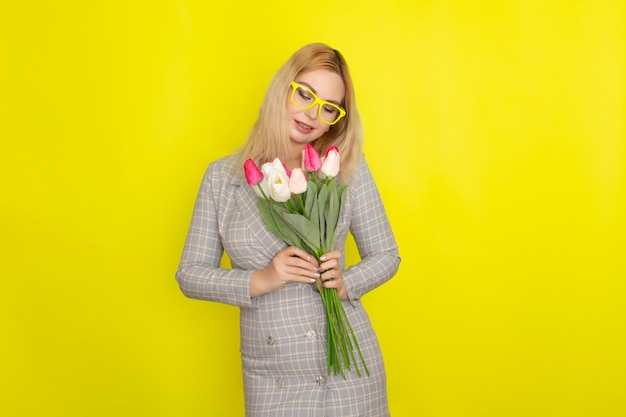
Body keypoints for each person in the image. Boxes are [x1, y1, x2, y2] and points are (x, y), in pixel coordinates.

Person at [176, 42, 400, 417]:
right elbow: (189, 275)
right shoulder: (222, 178)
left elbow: (387, 255)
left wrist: (347, 283)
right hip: (272, 376)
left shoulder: (342, 168)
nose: (313, 114)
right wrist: (261, 279)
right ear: (283, 87)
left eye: (328, 107)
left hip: (346, 369)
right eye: (305, 95)